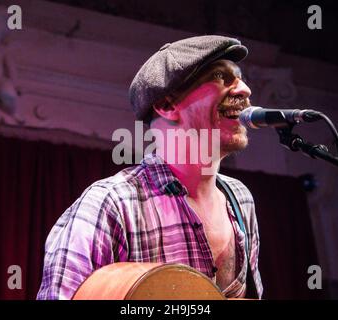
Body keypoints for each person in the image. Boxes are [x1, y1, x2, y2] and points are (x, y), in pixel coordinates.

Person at [37, 35, 263, 299]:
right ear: (167, 105)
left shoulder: (240, 199)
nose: (245, 89)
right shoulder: (111, 203)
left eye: (239, 77)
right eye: (219, 77)